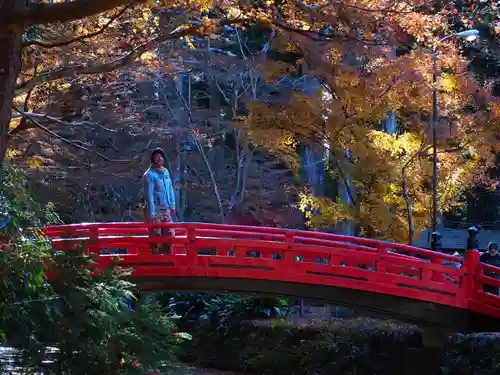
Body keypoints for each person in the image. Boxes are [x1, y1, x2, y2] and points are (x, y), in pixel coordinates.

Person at [142, 148, 176, 253]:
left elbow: (170, 189)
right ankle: (155, 260)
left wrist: (172, 205)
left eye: (162, 156)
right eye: (157, 156)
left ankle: (168, 260)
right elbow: (149, 196)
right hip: (154, 209)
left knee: (169, 234)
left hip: (165, 208)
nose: (160, 159)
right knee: (156, 235)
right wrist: (152, 214)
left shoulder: (166, 172)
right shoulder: (148, 175)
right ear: (153, 159)